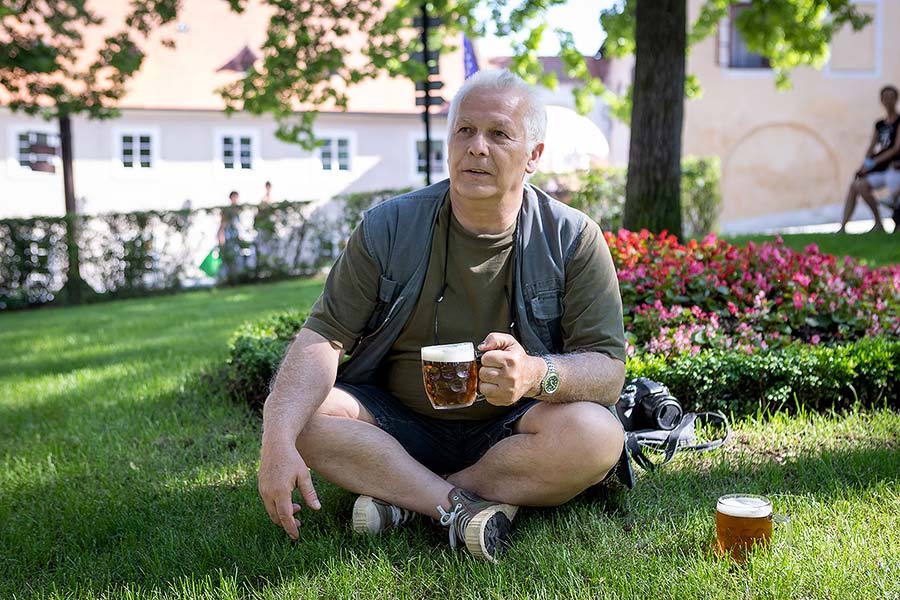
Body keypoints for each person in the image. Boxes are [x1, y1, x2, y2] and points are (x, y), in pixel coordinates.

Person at [257, 70, 627, 563]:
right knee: (302, 416)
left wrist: (536, 374)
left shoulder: (575, 238)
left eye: (498, 134)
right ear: (449, 142)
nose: (477, 147)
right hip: (396, 424)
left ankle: (412, 498)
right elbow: (323, 336)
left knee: (597, 436)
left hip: (514, 428)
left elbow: (607, 370)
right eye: (465, 131)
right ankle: (458, 506)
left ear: (533, 156)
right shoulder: (386, 226)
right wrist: (277, 439)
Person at [838, 85, 900, 234]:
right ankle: (851, 225)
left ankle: (896, 225)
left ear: (896, 99)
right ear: (881, 100)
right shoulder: (880, 124)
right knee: (857, 185)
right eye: (885, 97)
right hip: (881, 168)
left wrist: (874, 162)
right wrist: (865, 165)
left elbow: (896, 148)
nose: (888, 100)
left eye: (891, 97)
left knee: (895, 201)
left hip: (895, 167)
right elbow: (872, 146)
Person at [218, 190, 243, 277]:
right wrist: (221, 235)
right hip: (229, 235)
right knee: (228, 254)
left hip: (235, 235)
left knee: (236, 255)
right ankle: (227, 276)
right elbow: (223, 223)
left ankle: (235, 275)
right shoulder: (227, 210)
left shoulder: (238, 209)